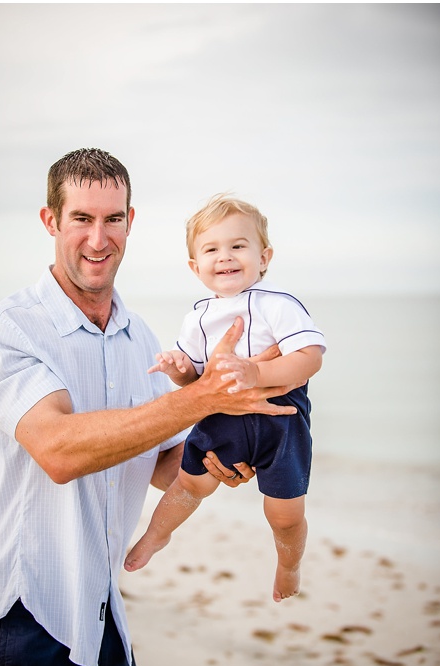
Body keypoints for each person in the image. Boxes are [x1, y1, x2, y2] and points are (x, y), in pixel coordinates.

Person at [0, 148, 296, 666]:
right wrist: (202, 396)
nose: (99, 238)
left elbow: (162, 462)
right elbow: (58, 451)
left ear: (131, 222)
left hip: (106, 616)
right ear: (51, 221)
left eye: (113, 219)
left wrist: (227, 450)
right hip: (27, 614)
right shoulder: (11, 328)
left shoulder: (139, 336)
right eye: (81, 218)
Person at [124, 195, 325, 602]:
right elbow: (194, 381)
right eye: (211, 249)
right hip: (221, 419)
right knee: (188, 484)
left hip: (279, 422)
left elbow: (310, 358)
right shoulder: (198, 318)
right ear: (195, 267)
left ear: (263, 258)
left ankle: (288, 566)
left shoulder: (278, 305)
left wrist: (257, 373)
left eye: (238, 245)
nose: (225, 257)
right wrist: (178, 367)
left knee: (284, 515)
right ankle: (156, 536)